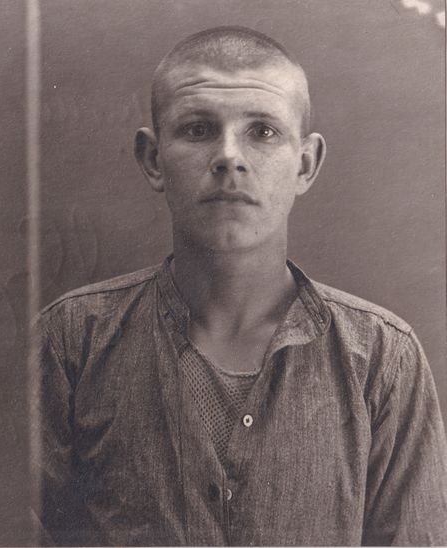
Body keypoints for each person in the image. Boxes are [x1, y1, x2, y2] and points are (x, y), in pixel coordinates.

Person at [35, 26, 447, 546]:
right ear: (153, 159)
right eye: (198, 129)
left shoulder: (383, 358)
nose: (229, 156)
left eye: (263, 132)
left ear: (305, 164)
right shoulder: (71, 342)